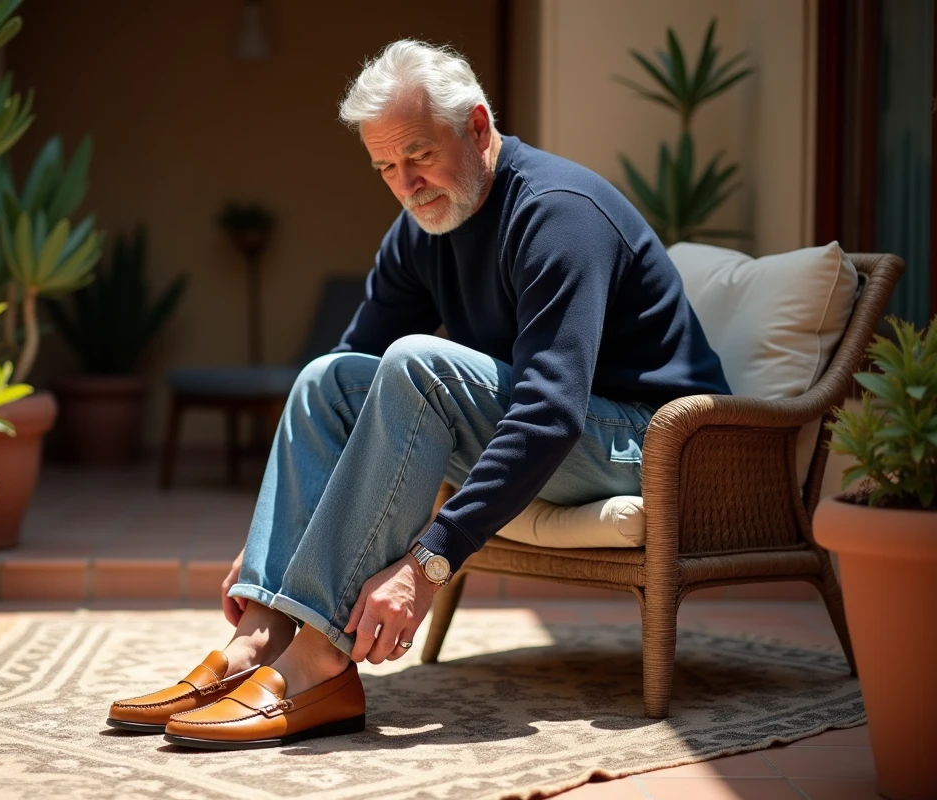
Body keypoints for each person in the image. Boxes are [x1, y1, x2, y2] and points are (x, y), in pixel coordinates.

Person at [107, 39, 730, 751]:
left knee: (418, 363)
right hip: (561, 433)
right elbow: (349, 372)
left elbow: (550, 409)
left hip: (649, 442)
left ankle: (319, 665)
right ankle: (257, 640)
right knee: (325, 379)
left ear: (477, 128)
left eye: (418, 155)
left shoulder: (559, 213)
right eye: (385, 167)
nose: (406, 183)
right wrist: (274, 551)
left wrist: (429, 561)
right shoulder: (422, 227)